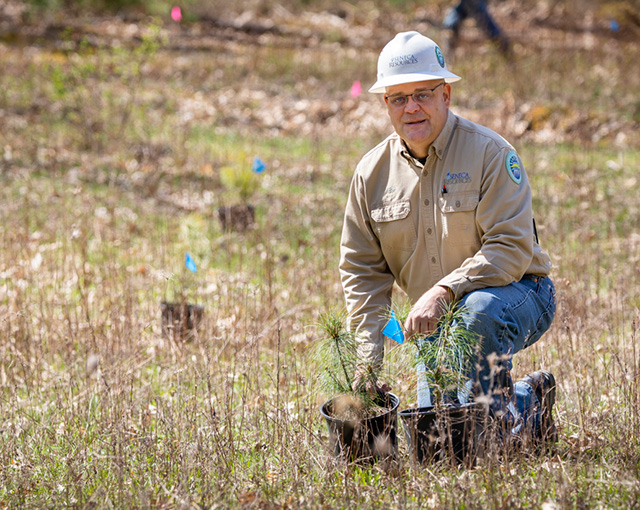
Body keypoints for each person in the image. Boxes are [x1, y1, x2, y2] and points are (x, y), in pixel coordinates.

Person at [339, 31, 557, 444]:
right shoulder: (371, 174)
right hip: (436, 326)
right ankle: (529, 397)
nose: (412, 107)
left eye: (423, 93)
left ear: (446, 94)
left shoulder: (490, 153)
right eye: (399, 98)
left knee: (477, 318)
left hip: (519, 293)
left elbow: (510, 250)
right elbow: (363, 274)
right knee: (438, 431)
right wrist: (367, 364)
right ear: (386, 104)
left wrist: (443, 290)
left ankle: (515, 415)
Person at [442, 0, 510, 56]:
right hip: (462, 3)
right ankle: (447, 61)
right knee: (450, 27)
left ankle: (506, 53)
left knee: (491, 30)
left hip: (475, 2)